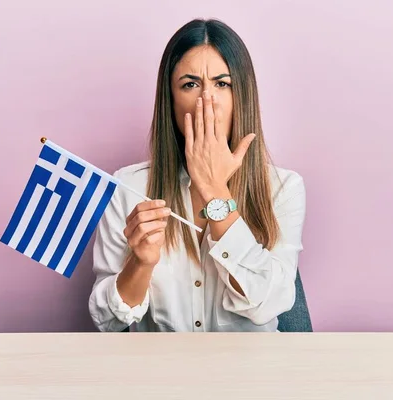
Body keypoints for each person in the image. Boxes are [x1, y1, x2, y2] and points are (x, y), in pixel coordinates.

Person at [88, 18, 306, 332]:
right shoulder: (128, 187)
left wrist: (215, 190)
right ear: (171, 99)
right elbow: (106, 322)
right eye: (190, 84)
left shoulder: (283, 188)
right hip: (161, 375)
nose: (208, 100)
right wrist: (140, 262)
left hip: (248, 377)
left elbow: (269, 305)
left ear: (241, 95)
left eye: (222, 83)